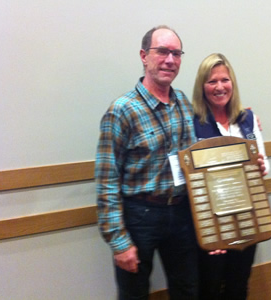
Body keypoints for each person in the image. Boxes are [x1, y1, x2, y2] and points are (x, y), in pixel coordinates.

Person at [95, 25, 198, 300]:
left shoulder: (184, 104)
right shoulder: (122, 110)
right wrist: (118, 242)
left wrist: (244, 119)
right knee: (134, 294)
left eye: (176, 53)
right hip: (140, 216)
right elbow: (107, 181)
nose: (170, 60)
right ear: (144, 55)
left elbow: (203, 150)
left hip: (181, 213)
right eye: (162, 51)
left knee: (188, 289)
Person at [192, 53, 270, 300]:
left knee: (239, 284)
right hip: (213, 220)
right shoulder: (192, 122)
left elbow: (264, 164)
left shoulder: (247, 120)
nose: (219, 87)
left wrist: (260, 167)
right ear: (202, 87)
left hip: (247, 215)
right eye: (211, 81)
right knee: (210, 287)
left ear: (232, 83)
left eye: (224, 80)